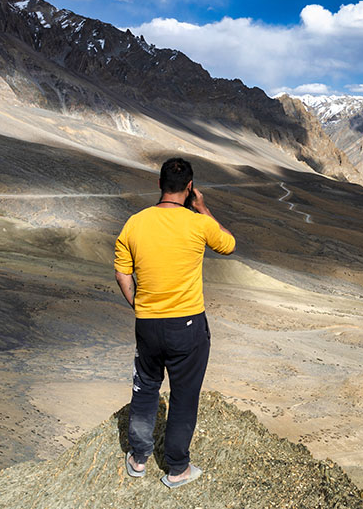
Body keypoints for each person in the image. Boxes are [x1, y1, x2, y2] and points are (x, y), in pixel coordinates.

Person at [114, 157, 235, 488]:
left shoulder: (135, 223)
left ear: (159, 185)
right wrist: (204, 208)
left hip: (148, 324)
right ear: (190, 188)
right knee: (183, 395)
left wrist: (140, 305)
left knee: (146, 387)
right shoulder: (198, 223)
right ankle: (177, 468)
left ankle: (138, 459)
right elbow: (228, 244)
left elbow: (122, 272)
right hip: (188, 326)